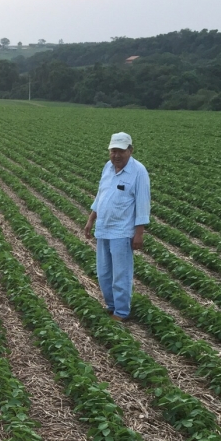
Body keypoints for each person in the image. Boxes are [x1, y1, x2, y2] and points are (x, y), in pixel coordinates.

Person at [83, 131, 151, 321]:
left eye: (121, 151)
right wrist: (91, 219)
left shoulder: (139, 172)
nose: (116, 155)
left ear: (130, 150)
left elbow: (143, 203)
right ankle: (111, 305)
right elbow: (101, 195)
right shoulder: (108, 167)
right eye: (113, 151)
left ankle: (121, 312)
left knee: (121, 273)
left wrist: (139, 233)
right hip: (104, 227)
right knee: (104, 272)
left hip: (122, 231)